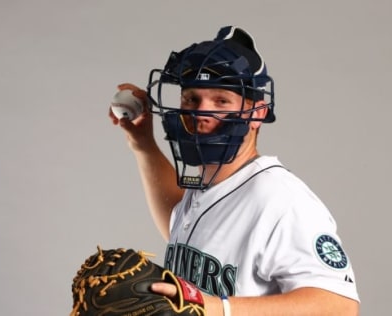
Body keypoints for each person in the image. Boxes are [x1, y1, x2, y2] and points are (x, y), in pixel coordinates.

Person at [110, 26, 360, 315]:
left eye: (221, 101)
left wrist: (216, 308)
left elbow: (340, 307)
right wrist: (143, 145)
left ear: (257, 113)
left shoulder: (281, 199)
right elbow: (194, 235)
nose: (200, 113)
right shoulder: (206, 185)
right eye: (191, 99)